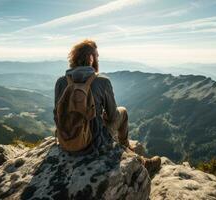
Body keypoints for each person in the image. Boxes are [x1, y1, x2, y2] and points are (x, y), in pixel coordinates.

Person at [53, 39, 160, 174]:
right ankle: (130, 153)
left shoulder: (61, 82)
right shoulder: (102, 81)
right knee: (123, 112)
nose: (98, 58)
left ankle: (126, 151)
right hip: (94, 142)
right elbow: (113, 116)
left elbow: (57, 114)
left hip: (66, 140)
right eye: (96, 56)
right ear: (90, 58)